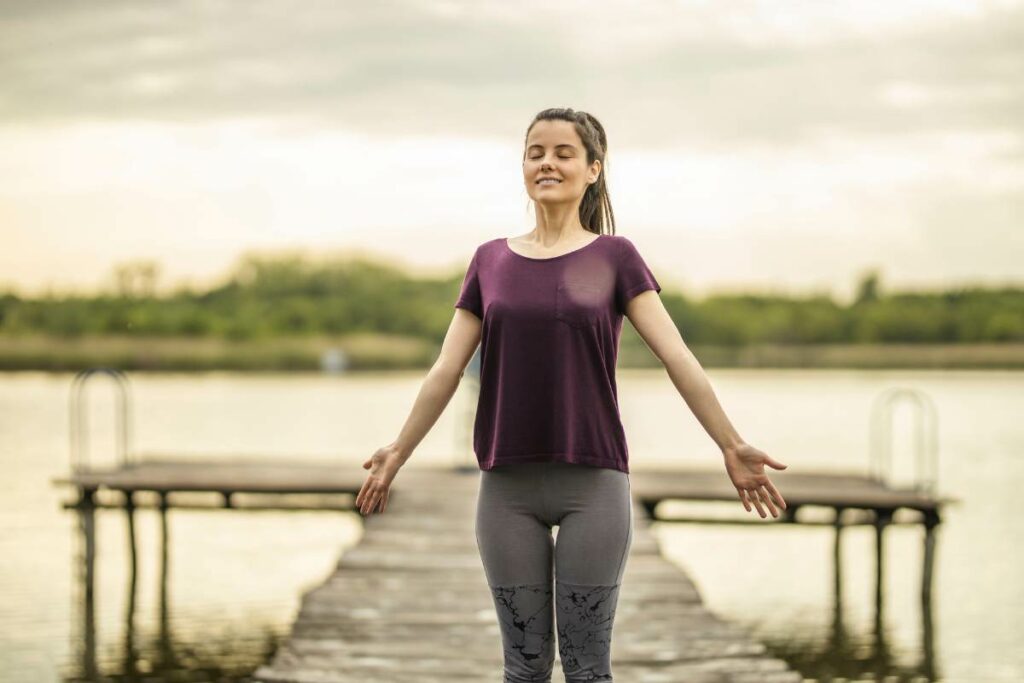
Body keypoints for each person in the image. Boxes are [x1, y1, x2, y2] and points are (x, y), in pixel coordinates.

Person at [355, 107, 788, 682]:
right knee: (525, 669)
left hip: (594, 485)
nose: (547, 163)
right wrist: (397, 450)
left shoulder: (615, 257)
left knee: (587, 669)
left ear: (592, 170)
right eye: (536, 152)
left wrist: (730, 445)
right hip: (507, 487)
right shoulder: (491, 260)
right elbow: (445, 368)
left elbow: (677, 356)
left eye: (563, 153)